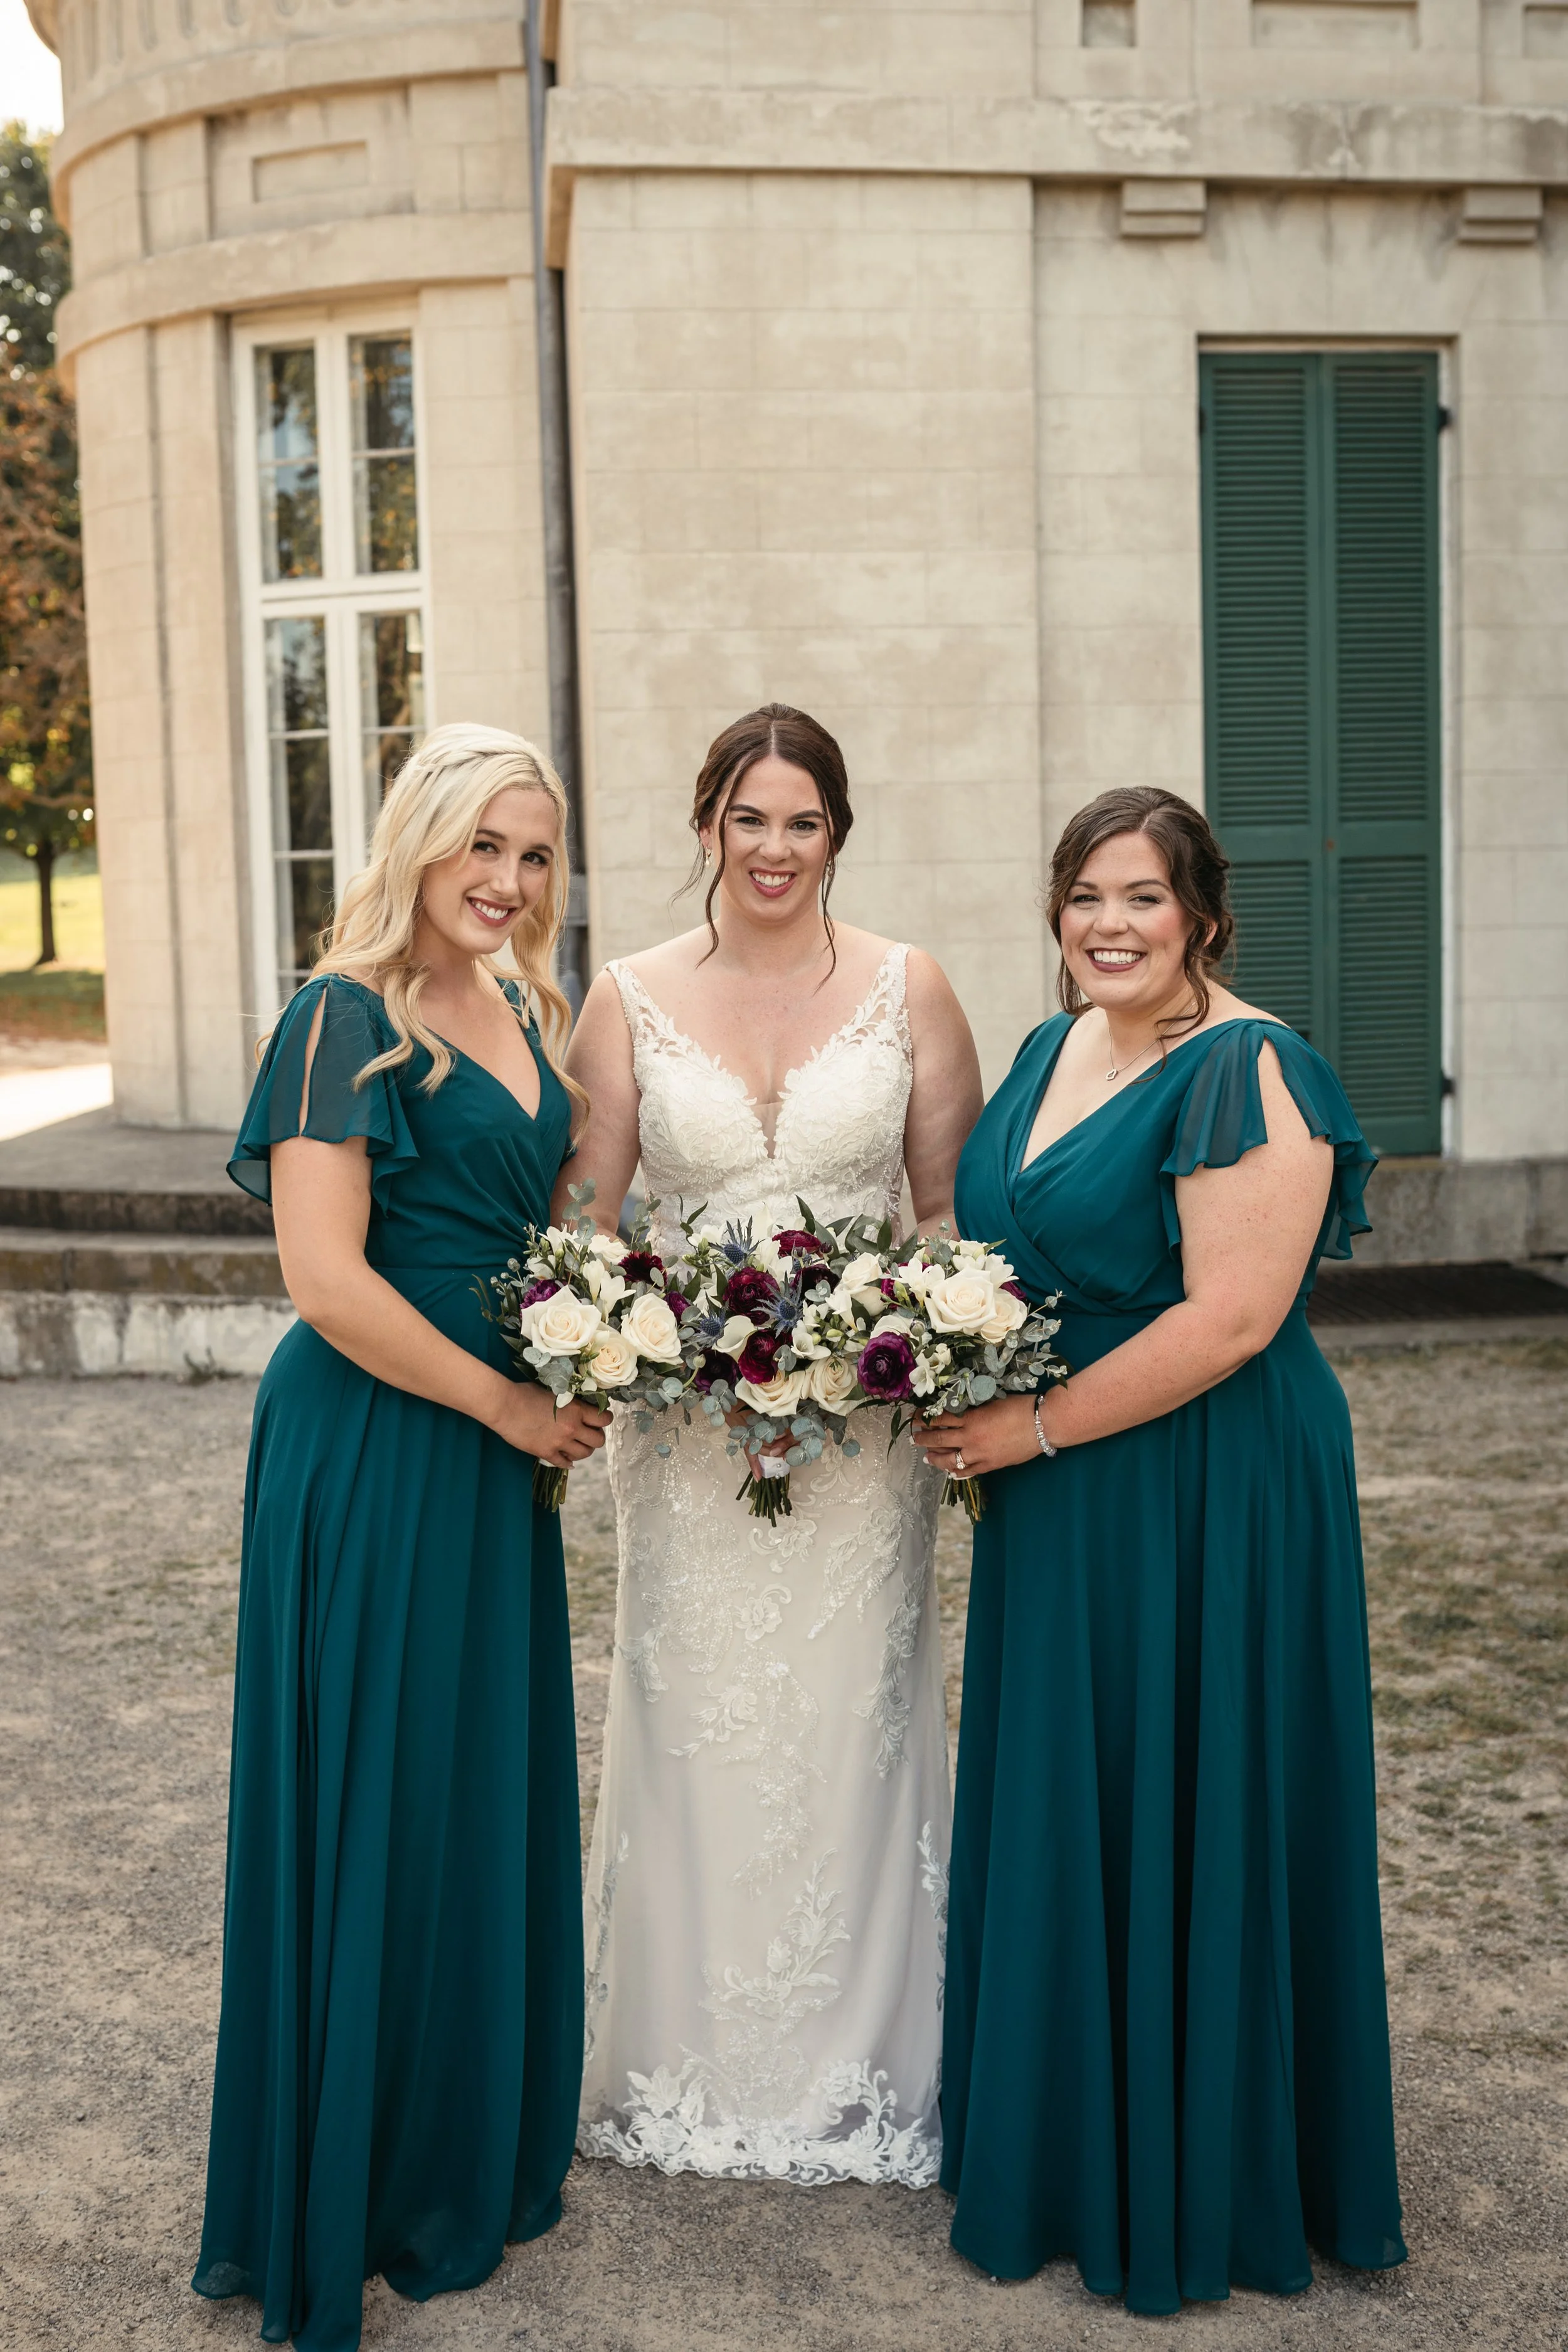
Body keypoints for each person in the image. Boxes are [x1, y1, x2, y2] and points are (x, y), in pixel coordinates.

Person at [913, 787, 1406, 2313]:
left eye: (1140, 898)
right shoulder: (1055, 1045)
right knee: (1077, 1790)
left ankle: (1196, 2158)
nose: (1107, 926)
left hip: (1198, 1481)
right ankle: (1066, 2138)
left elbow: (1233, 1318)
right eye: (1083, 897)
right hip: (1061, 1479)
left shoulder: (1249, 1067)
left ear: (1200, 913)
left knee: (1190, 1791)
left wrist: (1029, 1428)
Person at [192, 724, 609, 2352]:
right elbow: (329, 1276)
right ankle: (348, 2181)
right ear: (416, 842)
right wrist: (506, 1407)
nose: (506, 883)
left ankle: (457, 2141)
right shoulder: (337, 1017)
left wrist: (594, 1333)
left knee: (468, 1789)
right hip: (376, 1440)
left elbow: (544, 1217)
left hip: (495, 1455)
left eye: (533, 855)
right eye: (482, 848)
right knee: (376, 1790)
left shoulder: (523, 1006)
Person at [563, 703, 983, 2185]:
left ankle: (870, 2063)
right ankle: (684, 2062)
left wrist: (921, 1336)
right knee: (692, 1719)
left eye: (802, 821)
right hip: (681, 1442)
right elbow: (584, 1222)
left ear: (836, 835)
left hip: (863, 1439)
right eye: (749, 817)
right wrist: (625, 1338)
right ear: (705, 827)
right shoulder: (622, 997)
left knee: (848, 1717)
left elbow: (946, 1216)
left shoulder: (906, 986)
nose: (774, 848)